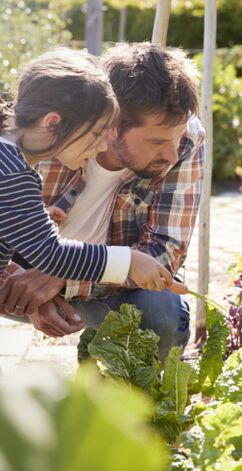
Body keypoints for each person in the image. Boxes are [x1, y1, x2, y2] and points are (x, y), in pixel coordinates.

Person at [0, 43, 203, 361]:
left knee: (161, 312)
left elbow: (166, 252)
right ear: (112, 125)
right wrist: (129, 261)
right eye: (157, 141)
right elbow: (50, 252)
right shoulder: (22, 167)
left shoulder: (15, 156)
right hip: (32, 273)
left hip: (85, 283)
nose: (172, 154)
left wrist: (54, 271)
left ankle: (104, 381)